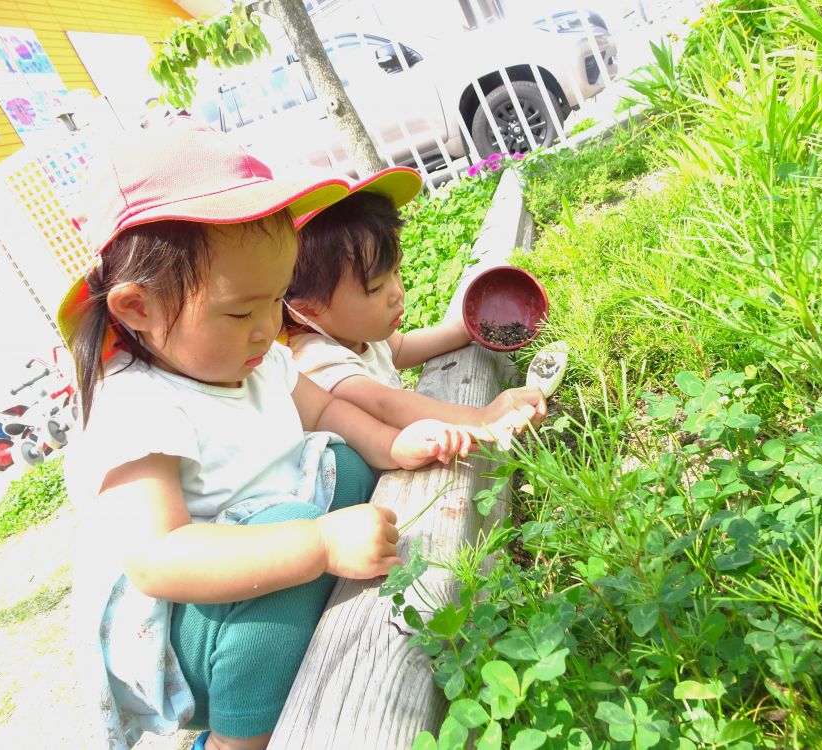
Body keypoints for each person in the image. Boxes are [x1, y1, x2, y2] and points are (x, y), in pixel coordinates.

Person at [60, 121, 484, 750]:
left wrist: (388, 446)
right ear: (137, 309)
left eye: (276, 299)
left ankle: (308, 586)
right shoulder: (134, 406)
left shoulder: (257, 357)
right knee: (288, 522)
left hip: (268, 557)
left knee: (344, 460)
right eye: (239, 310)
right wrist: (316, 543)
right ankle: (238, 741)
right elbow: (159, 559)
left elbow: (328, 414)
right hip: (194, 632)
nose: (267, 328)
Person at [284, 167, 558, 443]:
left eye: (396, 271)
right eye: (375, 287)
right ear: (308, 309)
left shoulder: (356, 333)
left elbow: (402, 347)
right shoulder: (315, 360)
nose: (397, 292)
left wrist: (466, 329)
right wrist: (480, 419)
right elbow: (383, 404)